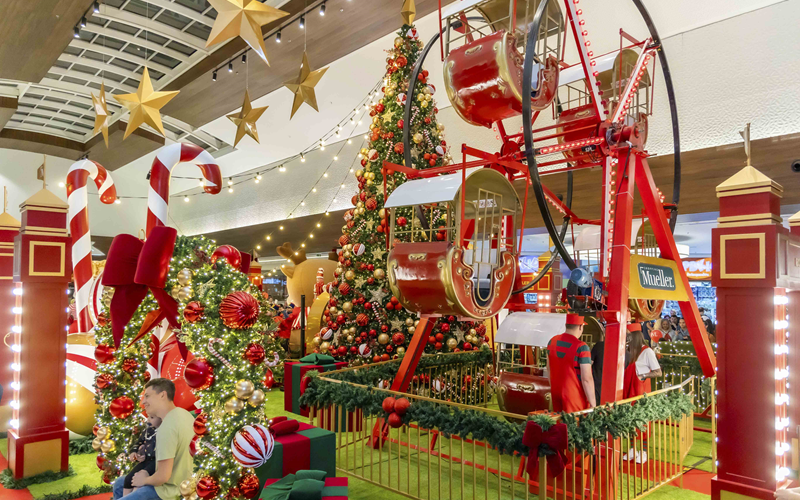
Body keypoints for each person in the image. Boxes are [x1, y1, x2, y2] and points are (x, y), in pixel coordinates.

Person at [113, 378, 195, 500]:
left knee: (130, 485)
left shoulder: (166, 428)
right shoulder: (184, 414)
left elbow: (163, 476)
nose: (143, 402)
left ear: (162, 395)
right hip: (187, 483)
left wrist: (145, 480)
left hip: (170, 492)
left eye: (147, 396)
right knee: (120, 483)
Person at [622, 323, 662, 463]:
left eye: (628, 336)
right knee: (631, 420)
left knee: (643, 421)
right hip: (629, 390)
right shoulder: (629, 351)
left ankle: (644, 452)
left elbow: (658, 372)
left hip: (641, 390)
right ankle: (632, 449)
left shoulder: (647, 351)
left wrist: (643, 376)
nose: (626, 339)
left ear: (634, 337)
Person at [547, 313, 596, 412]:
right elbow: (586, 379)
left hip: (555, 392)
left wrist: (554, 387)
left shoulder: (552, 341)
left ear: (566, 325)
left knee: (559, 424)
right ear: (580, 327)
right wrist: (593, 403)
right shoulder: (581, 347)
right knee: (574, 425)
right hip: (574, 396)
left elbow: (548, 368)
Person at [123, 415, 162, 497]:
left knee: (138, 481)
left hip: (156, 462)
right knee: (128, 479)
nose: (148, 420)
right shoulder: (147, 431)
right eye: (148, 417)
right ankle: (124, 497)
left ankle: (133, 496)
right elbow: (139, 442)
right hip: (146, 460)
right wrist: (134, 451)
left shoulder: (164, 432)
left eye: (152, 417)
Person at [590, 324, 606, 405]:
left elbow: (590, 363)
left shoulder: (599, 346)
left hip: (596, 383)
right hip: (613, 387)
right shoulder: (626, 352)